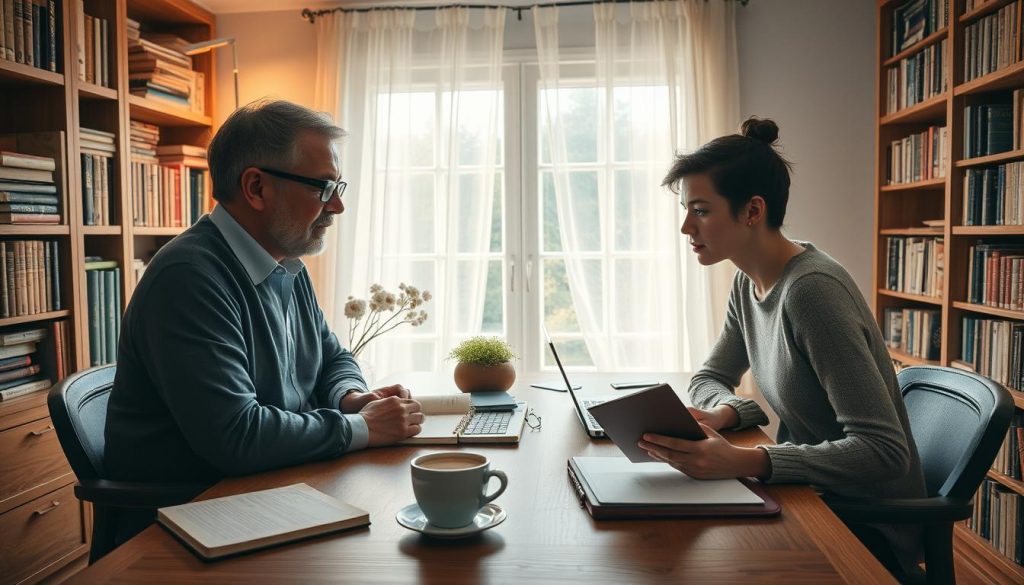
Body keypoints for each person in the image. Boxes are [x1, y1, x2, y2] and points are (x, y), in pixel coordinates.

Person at [104, 100, 423, 516]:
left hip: (270, 489)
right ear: (256, 188)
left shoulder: (285, 262)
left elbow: (331, 357)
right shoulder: (189, 277)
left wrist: (350, 397)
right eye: (322, 188)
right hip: (193, 518)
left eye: (337, 188)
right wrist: (362, 428)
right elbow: (236, 436)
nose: (336, 206)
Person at [638, 117, 927, 575]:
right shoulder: (747, 281)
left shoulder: (812, 292)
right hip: (805, 496)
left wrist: (751, 459)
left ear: (752, 211)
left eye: (700, 210)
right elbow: (710, 377)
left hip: (861, 525)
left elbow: (882, 451)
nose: (685, 228)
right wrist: (727, 412)